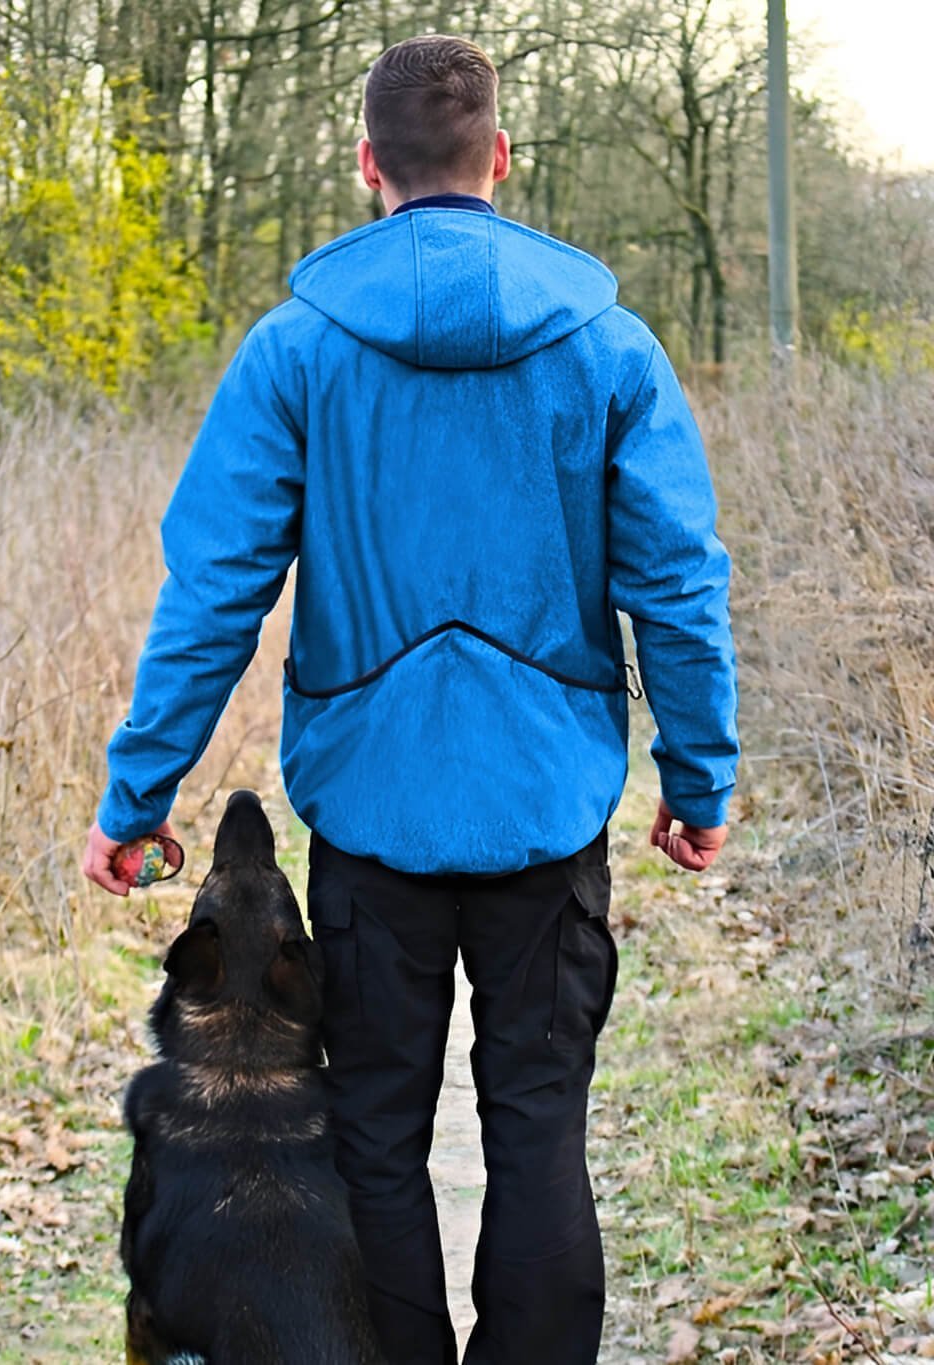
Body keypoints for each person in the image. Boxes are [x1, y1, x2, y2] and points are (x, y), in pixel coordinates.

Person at [83, 32, 738, 1365]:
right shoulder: (610, 346)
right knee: (539, 1123)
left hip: (372, 818)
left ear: (368, 166)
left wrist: (136, 796)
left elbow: (214, 592)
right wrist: (700, 770)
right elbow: (678, 581)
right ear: (499, 158)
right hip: (545, 805)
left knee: (374, 1130)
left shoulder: (293, 353)